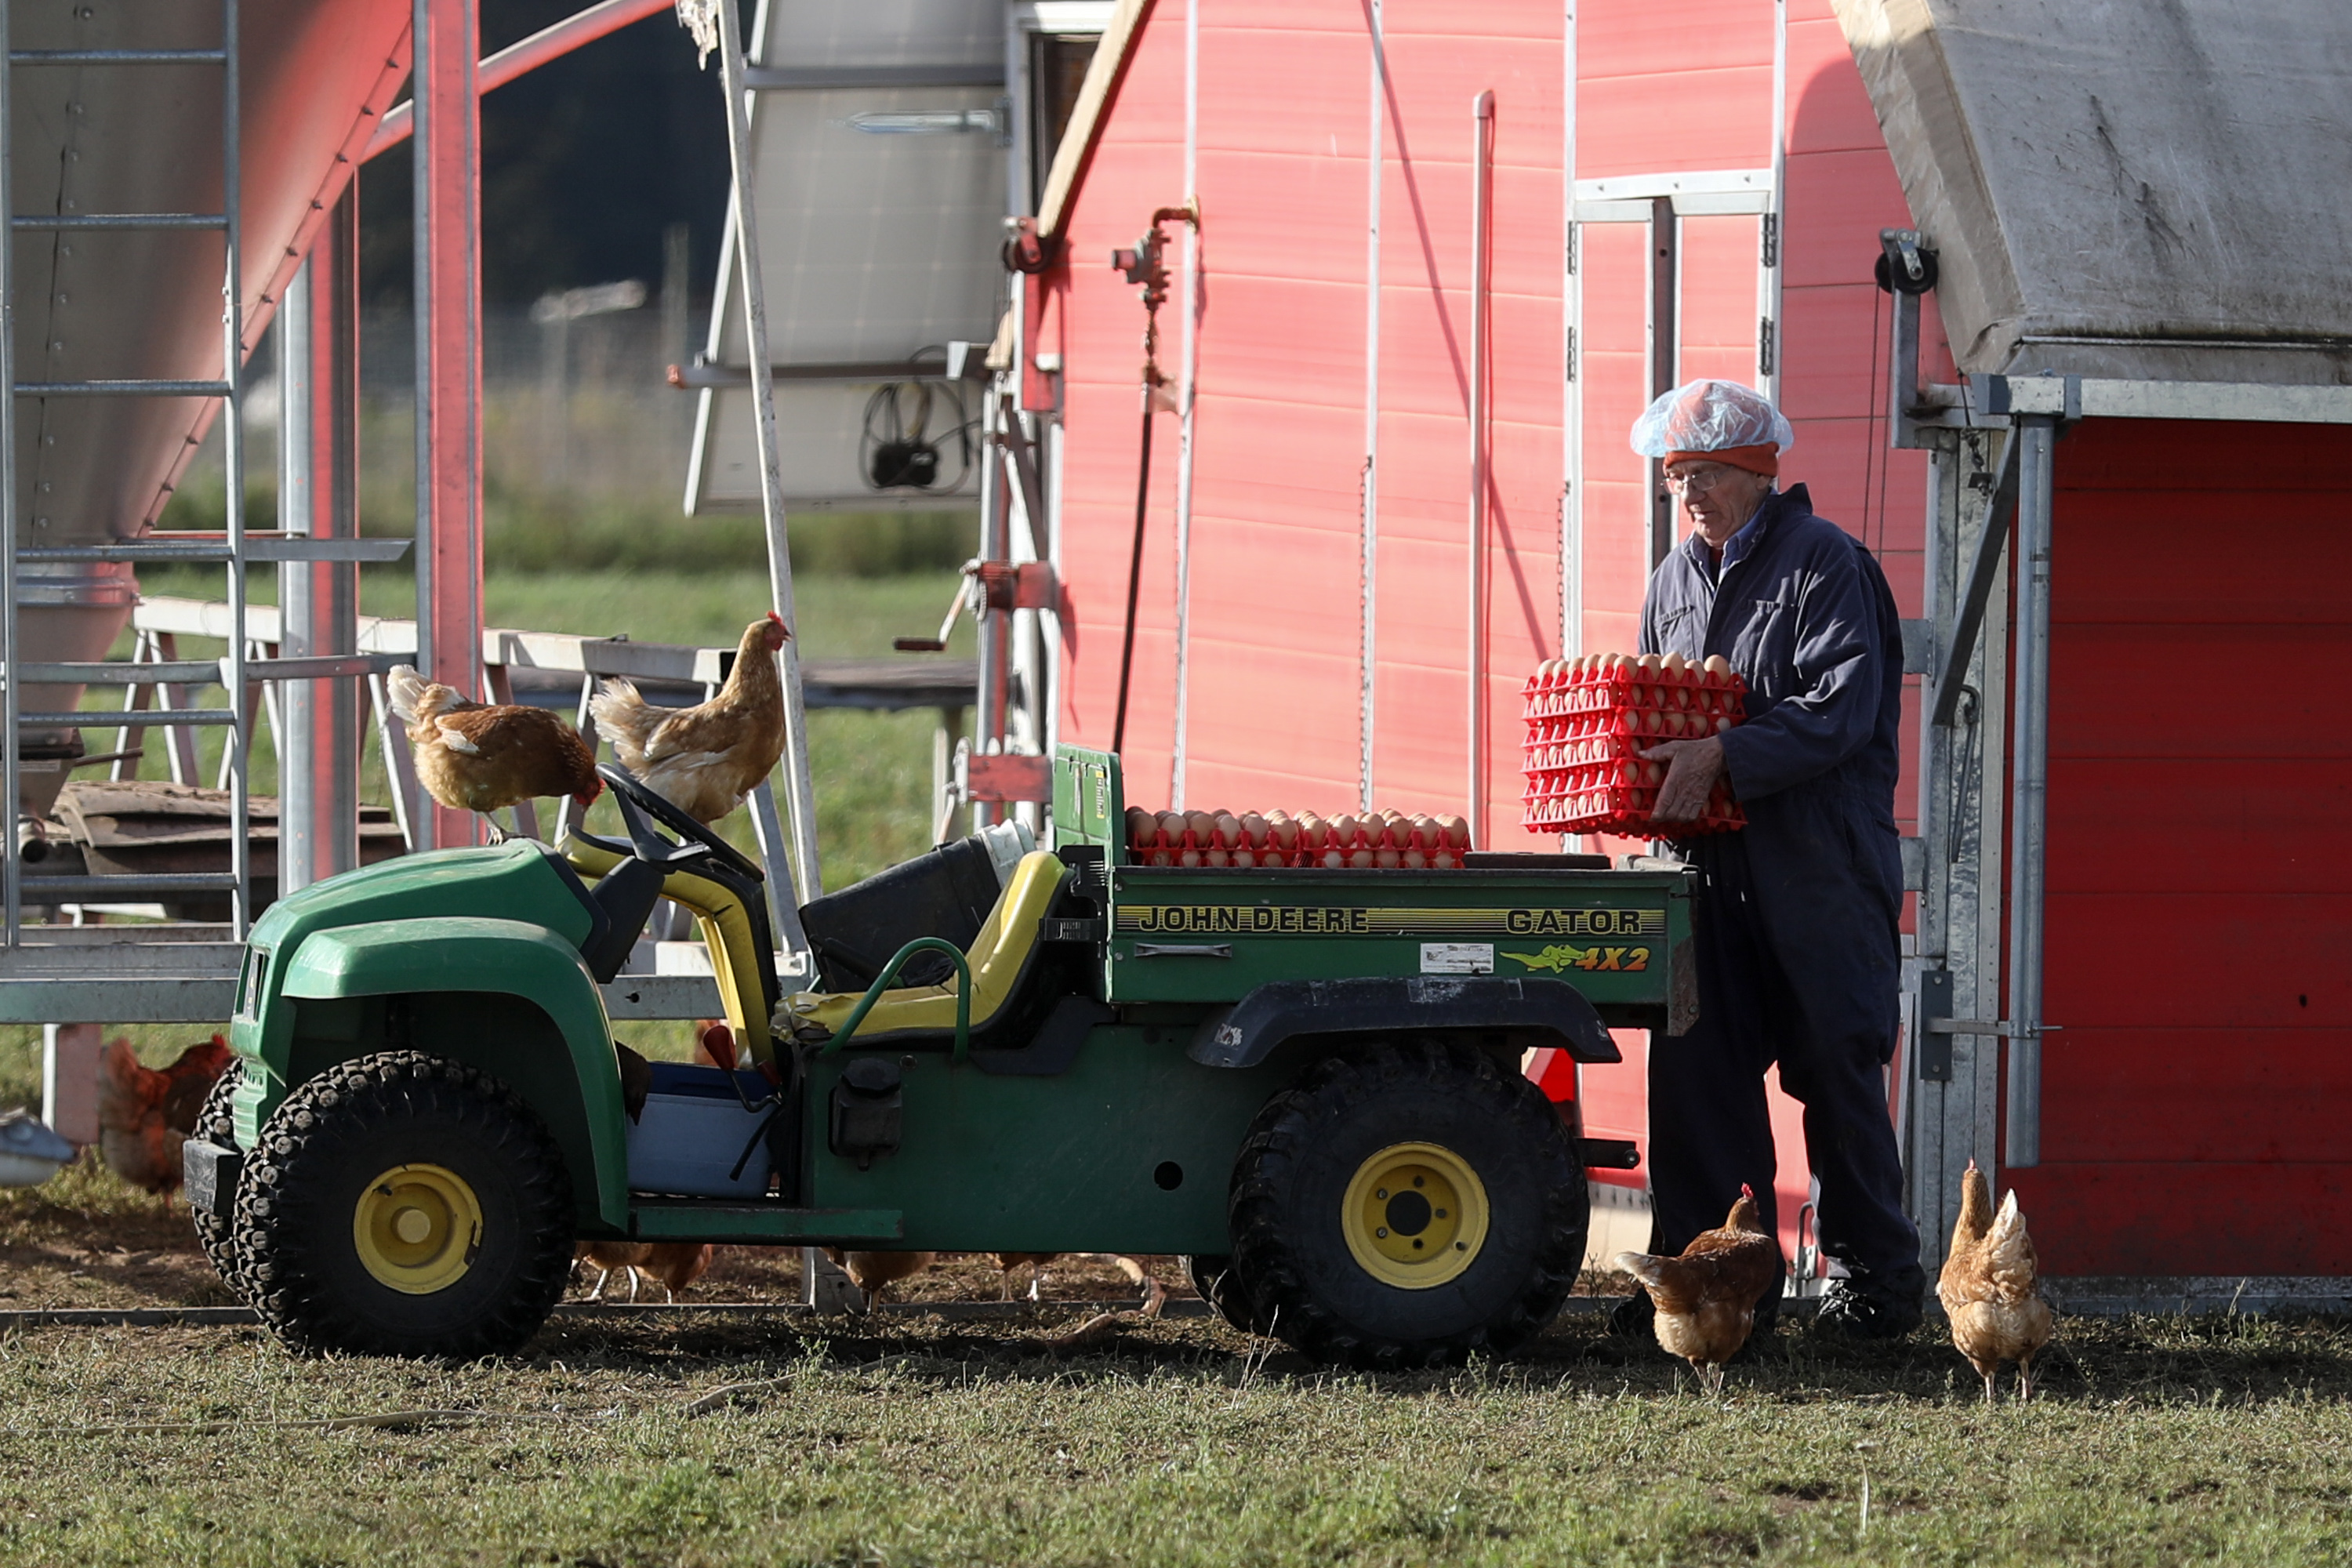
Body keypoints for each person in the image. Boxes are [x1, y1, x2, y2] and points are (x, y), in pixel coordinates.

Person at [1620, 378, 1924, 1340]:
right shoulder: (1672, 580)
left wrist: (1726, 754)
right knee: (1699, 1071)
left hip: (1819, 867)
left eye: (1702, 473)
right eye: (1675, 477)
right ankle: (1714, 1286)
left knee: (1837, 1071)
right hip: (1708, 870)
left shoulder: (1826, 565)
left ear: (1758, 470)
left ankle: (1873, 1285)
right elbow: (1653, 701)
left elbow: (1838, 711)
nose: (1687, 493)